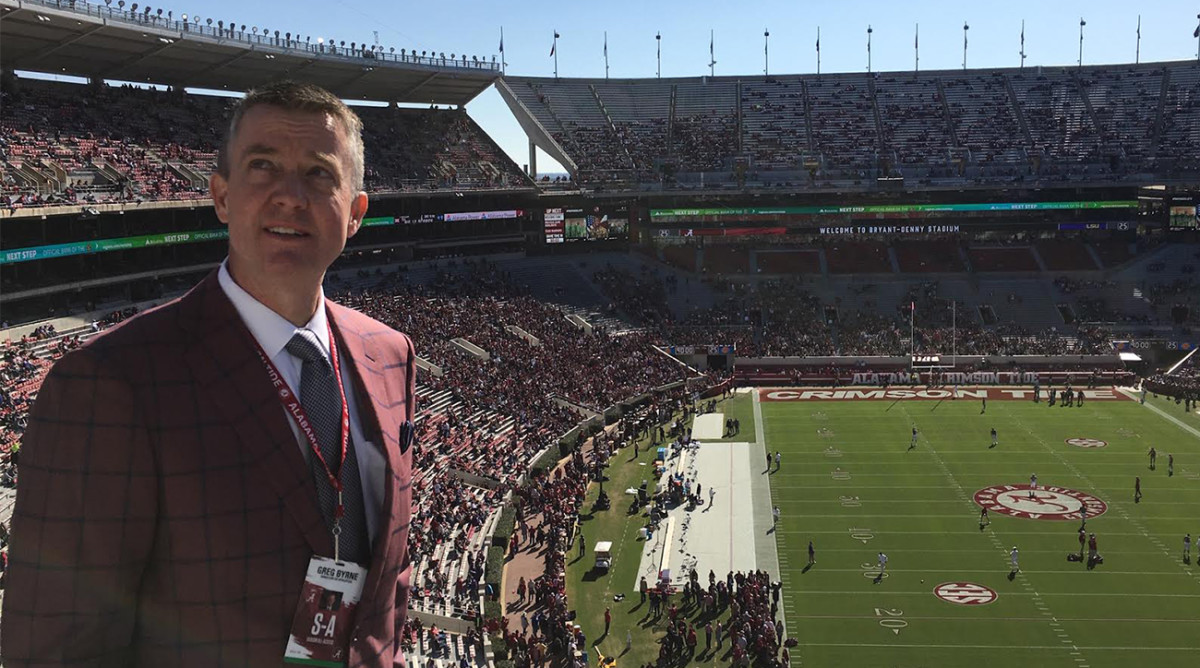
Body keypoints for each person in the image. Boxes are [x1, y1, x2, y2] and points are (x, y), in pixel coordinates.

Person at [2, 81, 418, 666]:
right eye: (262, 166)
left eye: (320, 174)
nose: (290, 196)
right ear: (221, 196)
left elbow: (388, 582)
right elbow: (58, 648)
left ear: (355, 213)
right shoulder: (106, 384)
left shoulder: (390, 355)